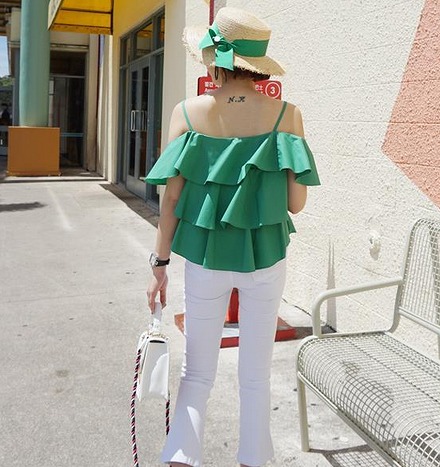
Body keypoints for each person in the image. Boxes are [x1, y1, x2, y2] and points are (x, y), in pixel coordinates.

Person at [145, 7, 320, 467]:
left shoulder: (187, 113)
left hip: (206, 259)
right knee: (255, 376)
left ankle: (180, 457)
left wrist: (159, 265)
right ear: (258, 65)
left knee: (196, 373)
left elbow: (170, 199)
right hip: (266, 259)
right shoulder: (288, 115)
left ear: (217, 60)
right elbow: (296, 204)